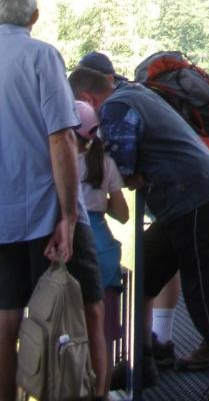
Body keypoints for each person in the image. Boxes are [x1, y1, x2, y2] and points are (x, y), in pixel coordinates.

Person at [70, 65, 209, 401]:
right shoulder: (135, 93)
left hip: (196, 199)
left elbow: (122, 169)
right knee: (147, 269)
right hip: (191, 197)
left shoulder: (116, 108)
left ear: (86, 99)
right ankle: (144, 356)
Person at [0, 0, 108, 401]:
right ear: (34, 16)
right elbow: (62, 138)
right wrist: (68, 215)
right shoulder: (41, 56)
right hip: (47, 210)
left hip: (4, 216)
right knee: (87, 307)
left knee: (7, 318)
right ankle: (95, 392)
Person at [76, 100, 128, 366]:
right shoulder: (105, 164)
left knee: (68, 329)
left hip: (72, 248)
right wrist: (98, 201)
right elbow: (123, 214)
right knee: (102, 335)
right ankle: (102, 387)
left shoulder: (56, 160)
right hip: (103, 249)